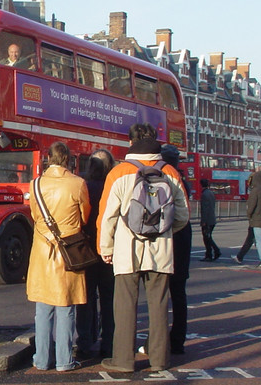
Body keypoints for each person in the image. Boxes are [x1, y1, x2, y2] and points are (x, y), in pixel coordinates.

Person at [97, 123, 189, 373]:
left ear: (130, 143)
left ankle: (124, 360)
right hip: (161, 250)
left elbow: (107, 216)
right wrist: (165, 231)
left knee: (125, 305)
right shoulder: (170, 171)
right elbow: (182, 214)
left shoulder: (119, 172)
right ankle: (159, 359)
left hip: (127, 249)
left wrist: (106, 247)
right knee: (159, 304)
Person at [27, 141, 90, 372]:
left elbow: (35, 215)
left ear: (48, 159)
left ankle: (42, 360)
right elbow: (84, 215)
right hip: (68, 251)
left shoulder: (35, 184)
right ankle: (64, 361)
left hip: (43, 252)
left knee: (43, 309)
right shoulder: (78, 183)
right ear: (68, 160)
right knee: (66, 307)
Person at [75, 149, 115, 359]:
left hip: (87, 250)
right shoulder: (113, 187)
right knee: (109, 300)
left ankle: (84, 343)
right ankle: (108, 344)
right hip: (109, 250)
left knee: (86, 298)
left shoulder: (84, 187)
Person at [160, 144, 192, 355]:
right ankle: (178, 339)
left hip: (167, 240)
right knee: (179, 294)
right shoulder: (184, 183)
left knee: (160, 294)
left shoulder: (162, 180)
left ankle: (160, 341)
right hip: (183, 240)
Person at [199, 179, 221, 261]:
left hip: (207, 220)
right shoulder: (211, 193)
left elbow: (204, 209)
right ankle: (211, 253)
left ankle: (212, 253)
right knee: (208, 237)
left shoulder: (204, 194)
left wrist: (203, 221)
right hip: (212, 218)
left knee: (207, 238)